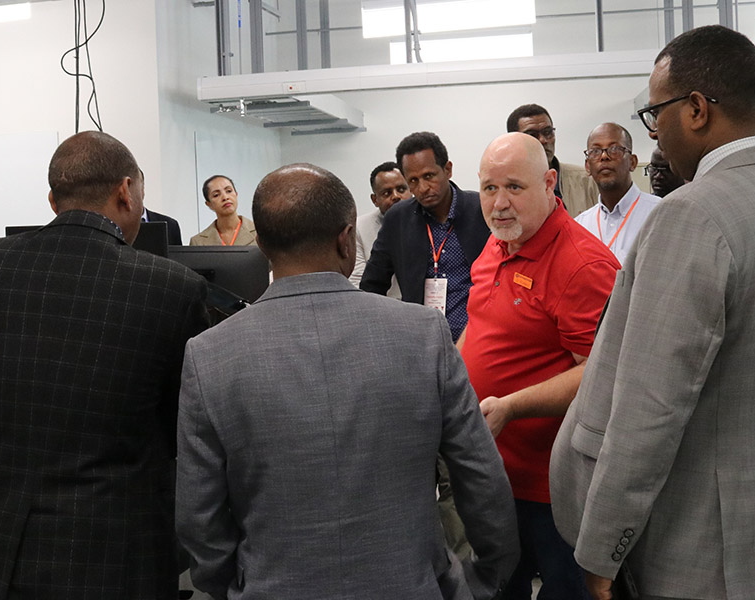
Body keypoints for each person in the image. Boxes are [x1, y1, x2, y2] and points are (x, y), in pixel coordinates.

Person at [551, 25, 755, 600]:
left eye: (654, 114)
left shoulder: (692, 216)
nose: (655, 134)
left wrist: (602, 547)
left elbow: (649, 410)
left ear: (694, 110)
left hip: (705, 550)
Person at [176, 162, 519, 600]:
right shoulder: (424, 336)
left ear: (260, 245)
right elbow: (480, 478)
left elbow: (198, 517)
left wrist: (231, 585)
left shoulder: (208, 355)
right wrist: (483, 579)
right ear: (346, 238)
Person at [0, 131, 210, 600]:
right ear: (126, 191)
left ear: (52, 199)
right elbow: (178, 420)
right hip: (113, 546)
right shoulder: (172, 286)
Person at [462, 132, 619, 600]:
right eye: (490, 188)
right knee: (498, 586)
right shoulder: (499, 243)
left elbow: (602, 372)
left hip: (552, 487)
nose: (499, 203)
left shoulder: (582, 265)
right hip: (494, 472)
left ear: (550, 182)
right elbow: (480, 323)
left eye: (514, 186)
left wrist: (510, 406)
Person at [359, 131, 491, 341]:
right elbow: (372, 285)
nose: (422, 188)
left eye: (428, 176)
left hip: (479, 340)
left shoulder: (481, 209)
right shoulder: (398, 219)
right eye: (413, 181)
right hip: (423, 343)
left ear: (447, 170)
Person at [573, 122, 663, 265]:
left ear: (632, 163)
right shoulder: (579, 225)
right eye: (595, 151)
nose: (604, 156)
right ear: (587, 166)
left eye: (614, 149)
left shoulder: (659, 213)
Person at [505, 103, 599, 217]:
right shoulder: (504, 188)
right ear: (513, 141)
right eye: (532, 135)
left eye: (548, 132)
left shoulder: (587, 181)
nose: (543, 140)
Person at [349, 161, 408, 296]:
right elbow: (357, 282)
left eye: (401, 189)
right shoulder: (359, 228)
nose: (396, 196)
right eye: (387, 193)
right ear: (375, 199)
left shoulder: (428, 223)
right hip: (379, 305)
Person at [189, 174, 257, 246]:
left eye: (229, 191)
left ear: (236, 194)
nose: (225, 197)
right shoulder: (198, 242)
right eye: (216, 195)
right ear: (209, 204)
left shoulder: (261, 232)